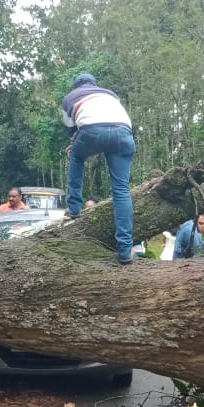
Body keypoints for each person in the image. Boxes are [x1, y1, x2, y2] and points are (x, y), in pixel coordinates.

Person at [61, 73, 136, 265]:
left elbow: (73, 130)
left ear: (76, 86)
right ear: (94, 84)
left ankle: (75, 207)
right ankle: (125, 252)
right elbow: (113, 117)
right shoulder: (109, 94)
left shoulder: (69, 98)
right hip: (123, 133)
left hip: (91, 131)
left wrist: (75, 144)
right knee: (121, 190)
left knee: (77, 156)